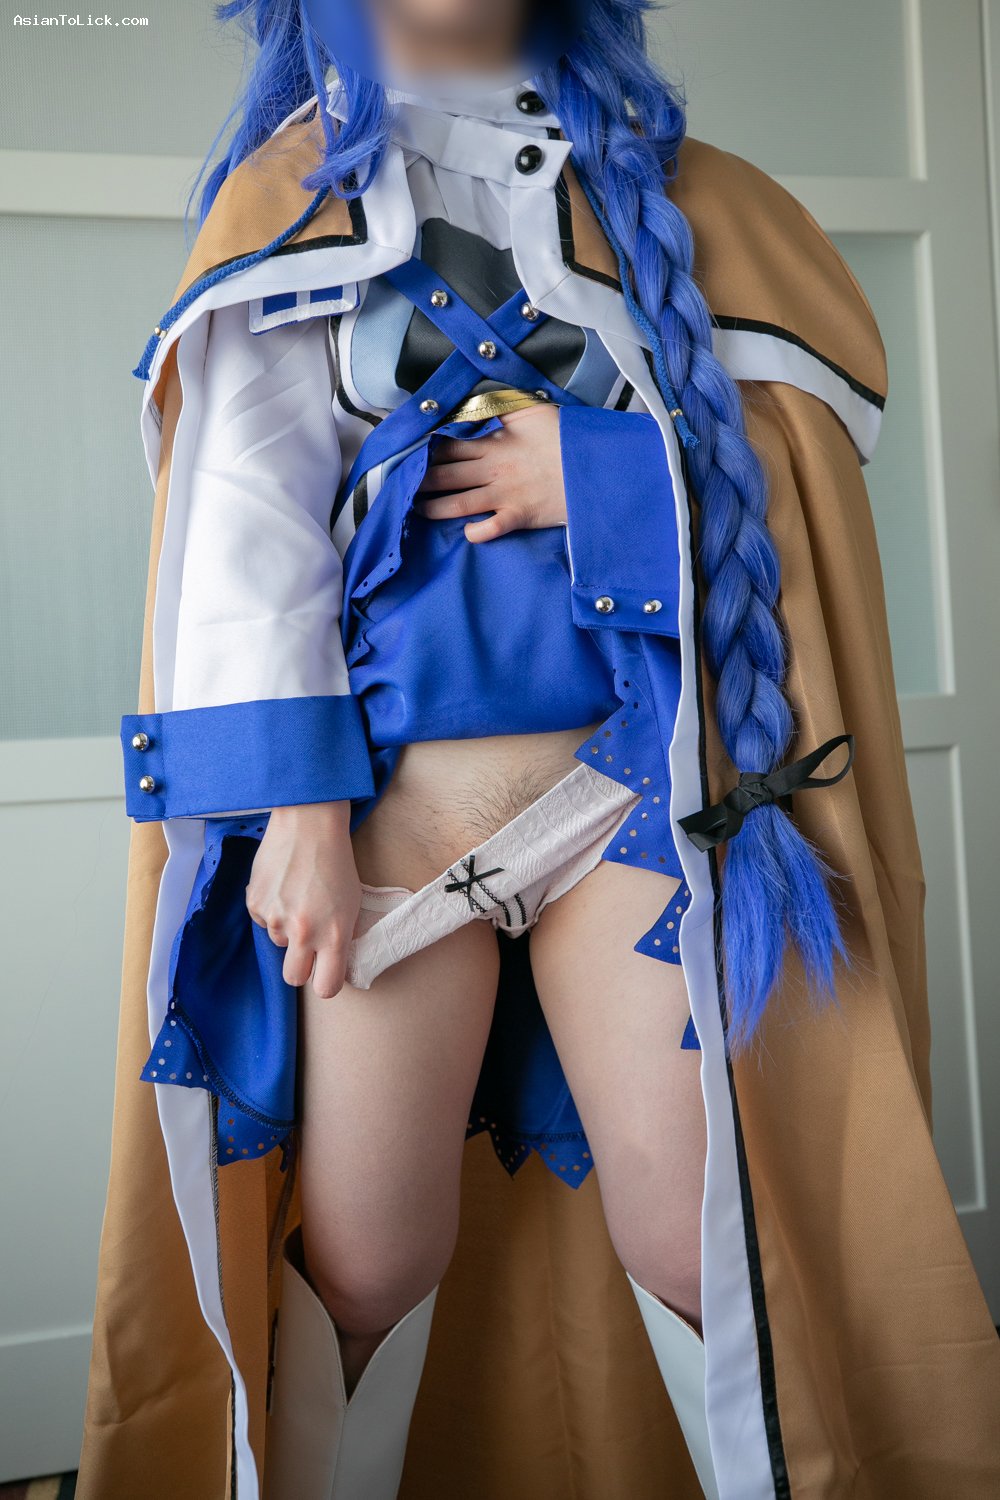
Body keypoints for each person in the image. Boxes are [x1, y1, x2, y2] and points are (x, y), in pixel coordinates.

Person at [78, 2, 1000, 1497]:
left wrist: (609, 470)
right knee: (367, 1263)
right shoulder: (289, 196)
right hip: (389, 815)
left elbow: (799, 503)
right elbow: (249, 523)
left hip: (632, 795)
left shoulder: (699, 200)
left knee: (698, 1238)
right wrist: (299, 816)